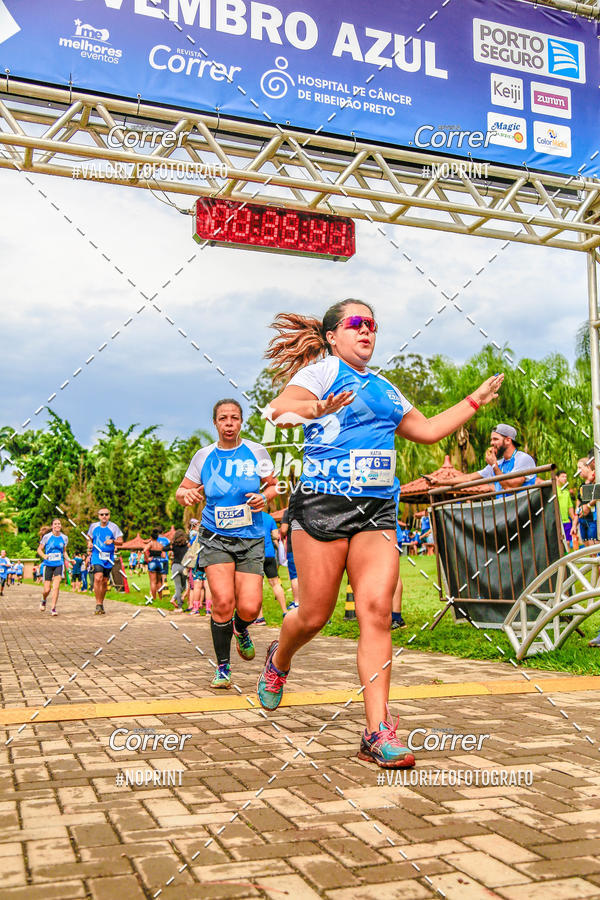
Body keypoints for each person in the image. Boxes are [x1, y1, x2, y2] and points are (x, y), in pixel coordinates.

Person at [256, 299, 504, 768]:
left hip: (376, 510)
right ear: (333, 336)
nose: (366, 330)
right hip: (323, 505)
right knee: (314, 615)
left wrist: (474, 400)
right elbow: (279, 410)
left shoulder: (386, 388)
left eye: (372, 324)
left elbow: (427, 430)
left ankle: (377, 732)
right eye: (356, 323)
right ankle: (280, 657)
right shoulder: (323, 372)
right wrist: (317, 408)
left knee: (376, 612)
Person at [176, 398, 278, 688]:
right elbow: (181, 491)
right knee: (222, 601)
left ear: (241, 422)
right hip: (215, 537)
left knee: (250, 607)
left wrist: (264, 496)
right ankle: (223, 668)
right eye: (223, 418)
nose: (229, 423)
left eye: (234, 418)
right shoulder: (204, 456)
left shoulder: (256, 451)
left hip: (250, 538)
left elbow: (273, 485)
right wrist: (187, 495)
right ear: (215, 423)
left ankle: (241, 628)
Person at [461, 424, 535, 493]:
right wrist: (451, 481)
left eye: (495, 439)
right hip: (503, 502)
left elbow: (510, 487)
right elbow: (469, 477)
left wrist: (494, 465)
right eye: (491, 440)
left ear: (508, 440)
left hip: (521, 502)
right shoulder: (499, 462)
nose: (491, 443)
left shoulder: (523, 459)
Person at [87, 508, 123, 615]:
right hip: (96, 556)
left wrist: (113, 541)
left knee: (104, 581)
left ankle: (101, 603)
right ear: (98, 516)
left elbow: (121, 541)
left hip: (108, 557)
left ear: (109, 516)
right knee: (98, 577)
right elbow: (89, 537)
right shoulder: (93, 526)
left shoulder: (114, 527)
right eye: (102, 514)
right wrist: (89, 543)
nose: (104, 516)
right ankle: (98, 604)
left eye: (106, 514)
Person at [257, 508, 287, 624]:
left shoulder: (248, 517)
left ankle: (260, 617)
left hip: (255, 555)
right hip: (269, 553)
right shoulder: (269, 518)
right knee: (275, 583)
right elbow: (275, 536)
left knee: (257, 585)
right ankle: (285, 612)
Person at [37, 518, 71, 615]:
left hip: (59, 564)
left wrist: (69, 560)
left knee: (56, 587)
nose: (57, 525)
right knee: (47, 589)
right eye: (55, 524)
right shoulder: (47, 537)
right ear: (52, 526)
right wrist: (44, 556)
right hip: (48, 564)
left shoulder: (64, 538)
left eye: (59, 524)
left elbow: (64, 552)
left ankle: (53, 608)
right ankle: (43, 599)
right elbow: (39, 549)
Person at [280, 508, 299, 608]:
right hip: (309, 547)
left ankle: (297, 603)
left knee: (295, 576)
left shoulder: (289, 511)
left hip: (293, 547)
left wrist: (281, 535)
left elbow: (284, 529)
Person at [576, 457, 597, 547]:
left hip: (593, 519)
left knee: (594, 548)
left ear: (588, 466)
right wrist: (574, 524)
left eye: (580, 468)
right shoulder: (582, 485)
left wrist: (588, 506)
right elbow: (578, 503)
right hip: (582, 520)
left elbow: (597, 495)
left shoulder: (596, 480)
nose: (578, 471)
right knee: (588, 550)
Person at [145, 530, 167, 602]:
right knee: (159, 581)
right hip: (160, 562)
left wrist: (147, 558)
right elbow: (164, 556)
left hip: (152, 562)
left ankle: (154, 598)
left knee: (153, 582)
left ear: (151, 537)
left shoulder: (150, 543)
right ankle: (160, 598)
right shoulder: (160, 545)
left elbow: (144, 550)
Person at [170, 528, 189, 612]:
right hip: (184, 567)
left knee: (178, 586)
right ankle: (175, 599)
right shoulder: (187, 545)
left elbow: (164, 548)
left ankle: (179, 607)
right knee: (184, 586)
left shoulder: (173, 545)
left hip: (175, 566)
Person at [556, 471, 576, 550]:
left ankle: (568, 557)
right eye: (562, 476)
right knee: (559, 543)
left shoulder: (566, 491)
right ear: (557, 477)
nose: (565, 478)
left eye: (566, 477)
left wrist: (574, 519)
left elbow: (570, 506)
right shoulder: (553, 490)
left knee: (567, 542)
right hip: (557, 521)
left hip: (566, 521)